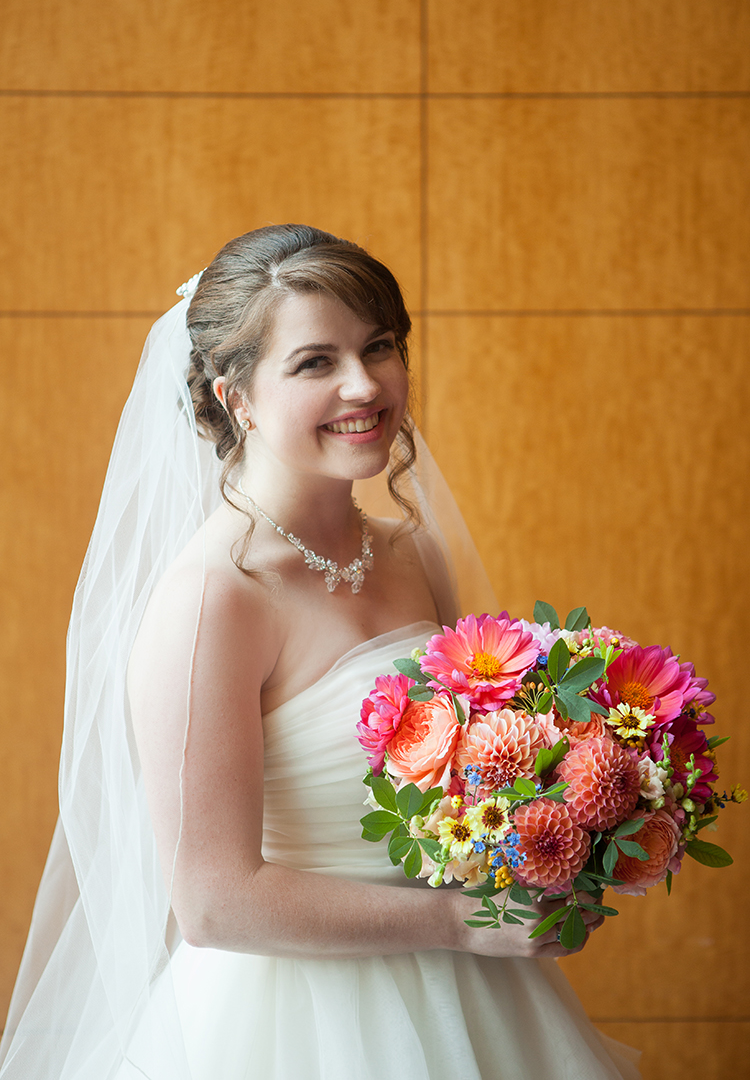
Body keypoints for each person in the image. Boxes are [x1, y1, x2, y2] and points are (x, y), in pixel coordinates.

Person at [0, 225, 640, 1079]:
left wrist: (566, 825)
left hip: (478, 997)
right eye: (314, 361)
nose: (364, 384)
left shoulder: (414, 551)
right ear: (238, 397)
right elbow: (215, 902)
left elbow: (481, 780)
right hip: (297, 1020)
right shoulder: (212, 601)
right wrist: (458, 922)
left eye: (379, 347)